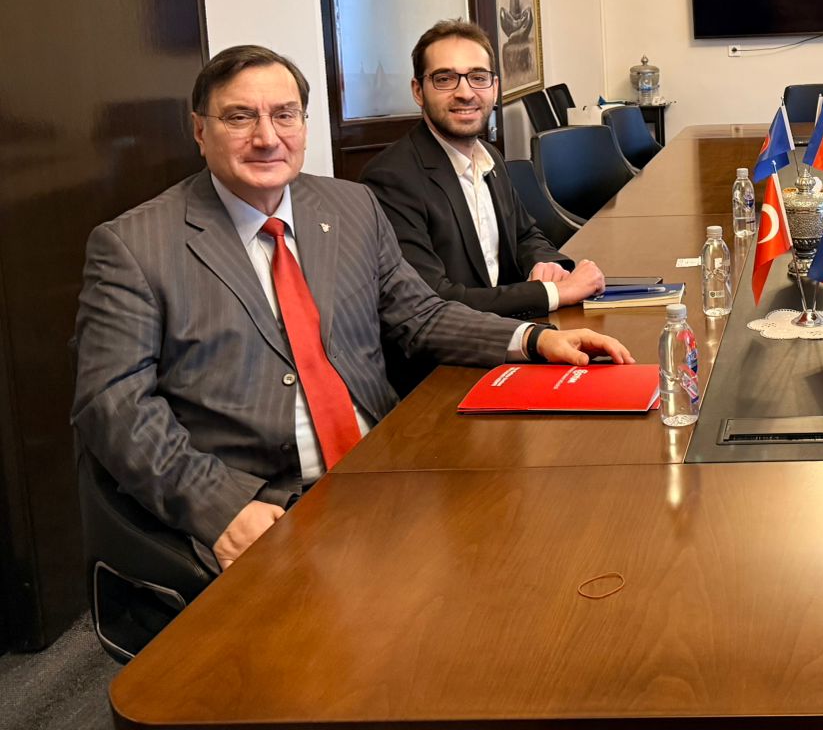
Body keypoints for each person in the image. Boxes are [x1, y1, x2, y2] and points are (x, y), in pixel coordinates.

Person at [71, 45, 632, 574]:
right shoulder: (135, 246)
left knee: (545, 544)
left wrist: (533, 339)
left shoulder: (350, 205)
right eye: (240, 118)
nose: (267, 137)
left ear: (304, 124)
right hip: (263, 501)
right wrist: (218, 507)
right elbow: (113, 403)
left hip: (387, 467)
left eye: (285, 115)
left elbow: (420, 314)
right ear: (200, 130)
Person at [363, 20, 604, 329]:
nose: (465, 93)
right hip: (453, 349)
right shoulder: (391, 179)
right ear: (418, 91)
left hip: (512, 332)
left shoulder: (490, 157)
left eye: (478, 77)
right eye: (445, 79)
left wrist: (546, 263)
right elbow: (433, 300)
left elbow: (525, 235)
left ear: (494, 87)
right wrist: (553, 293)